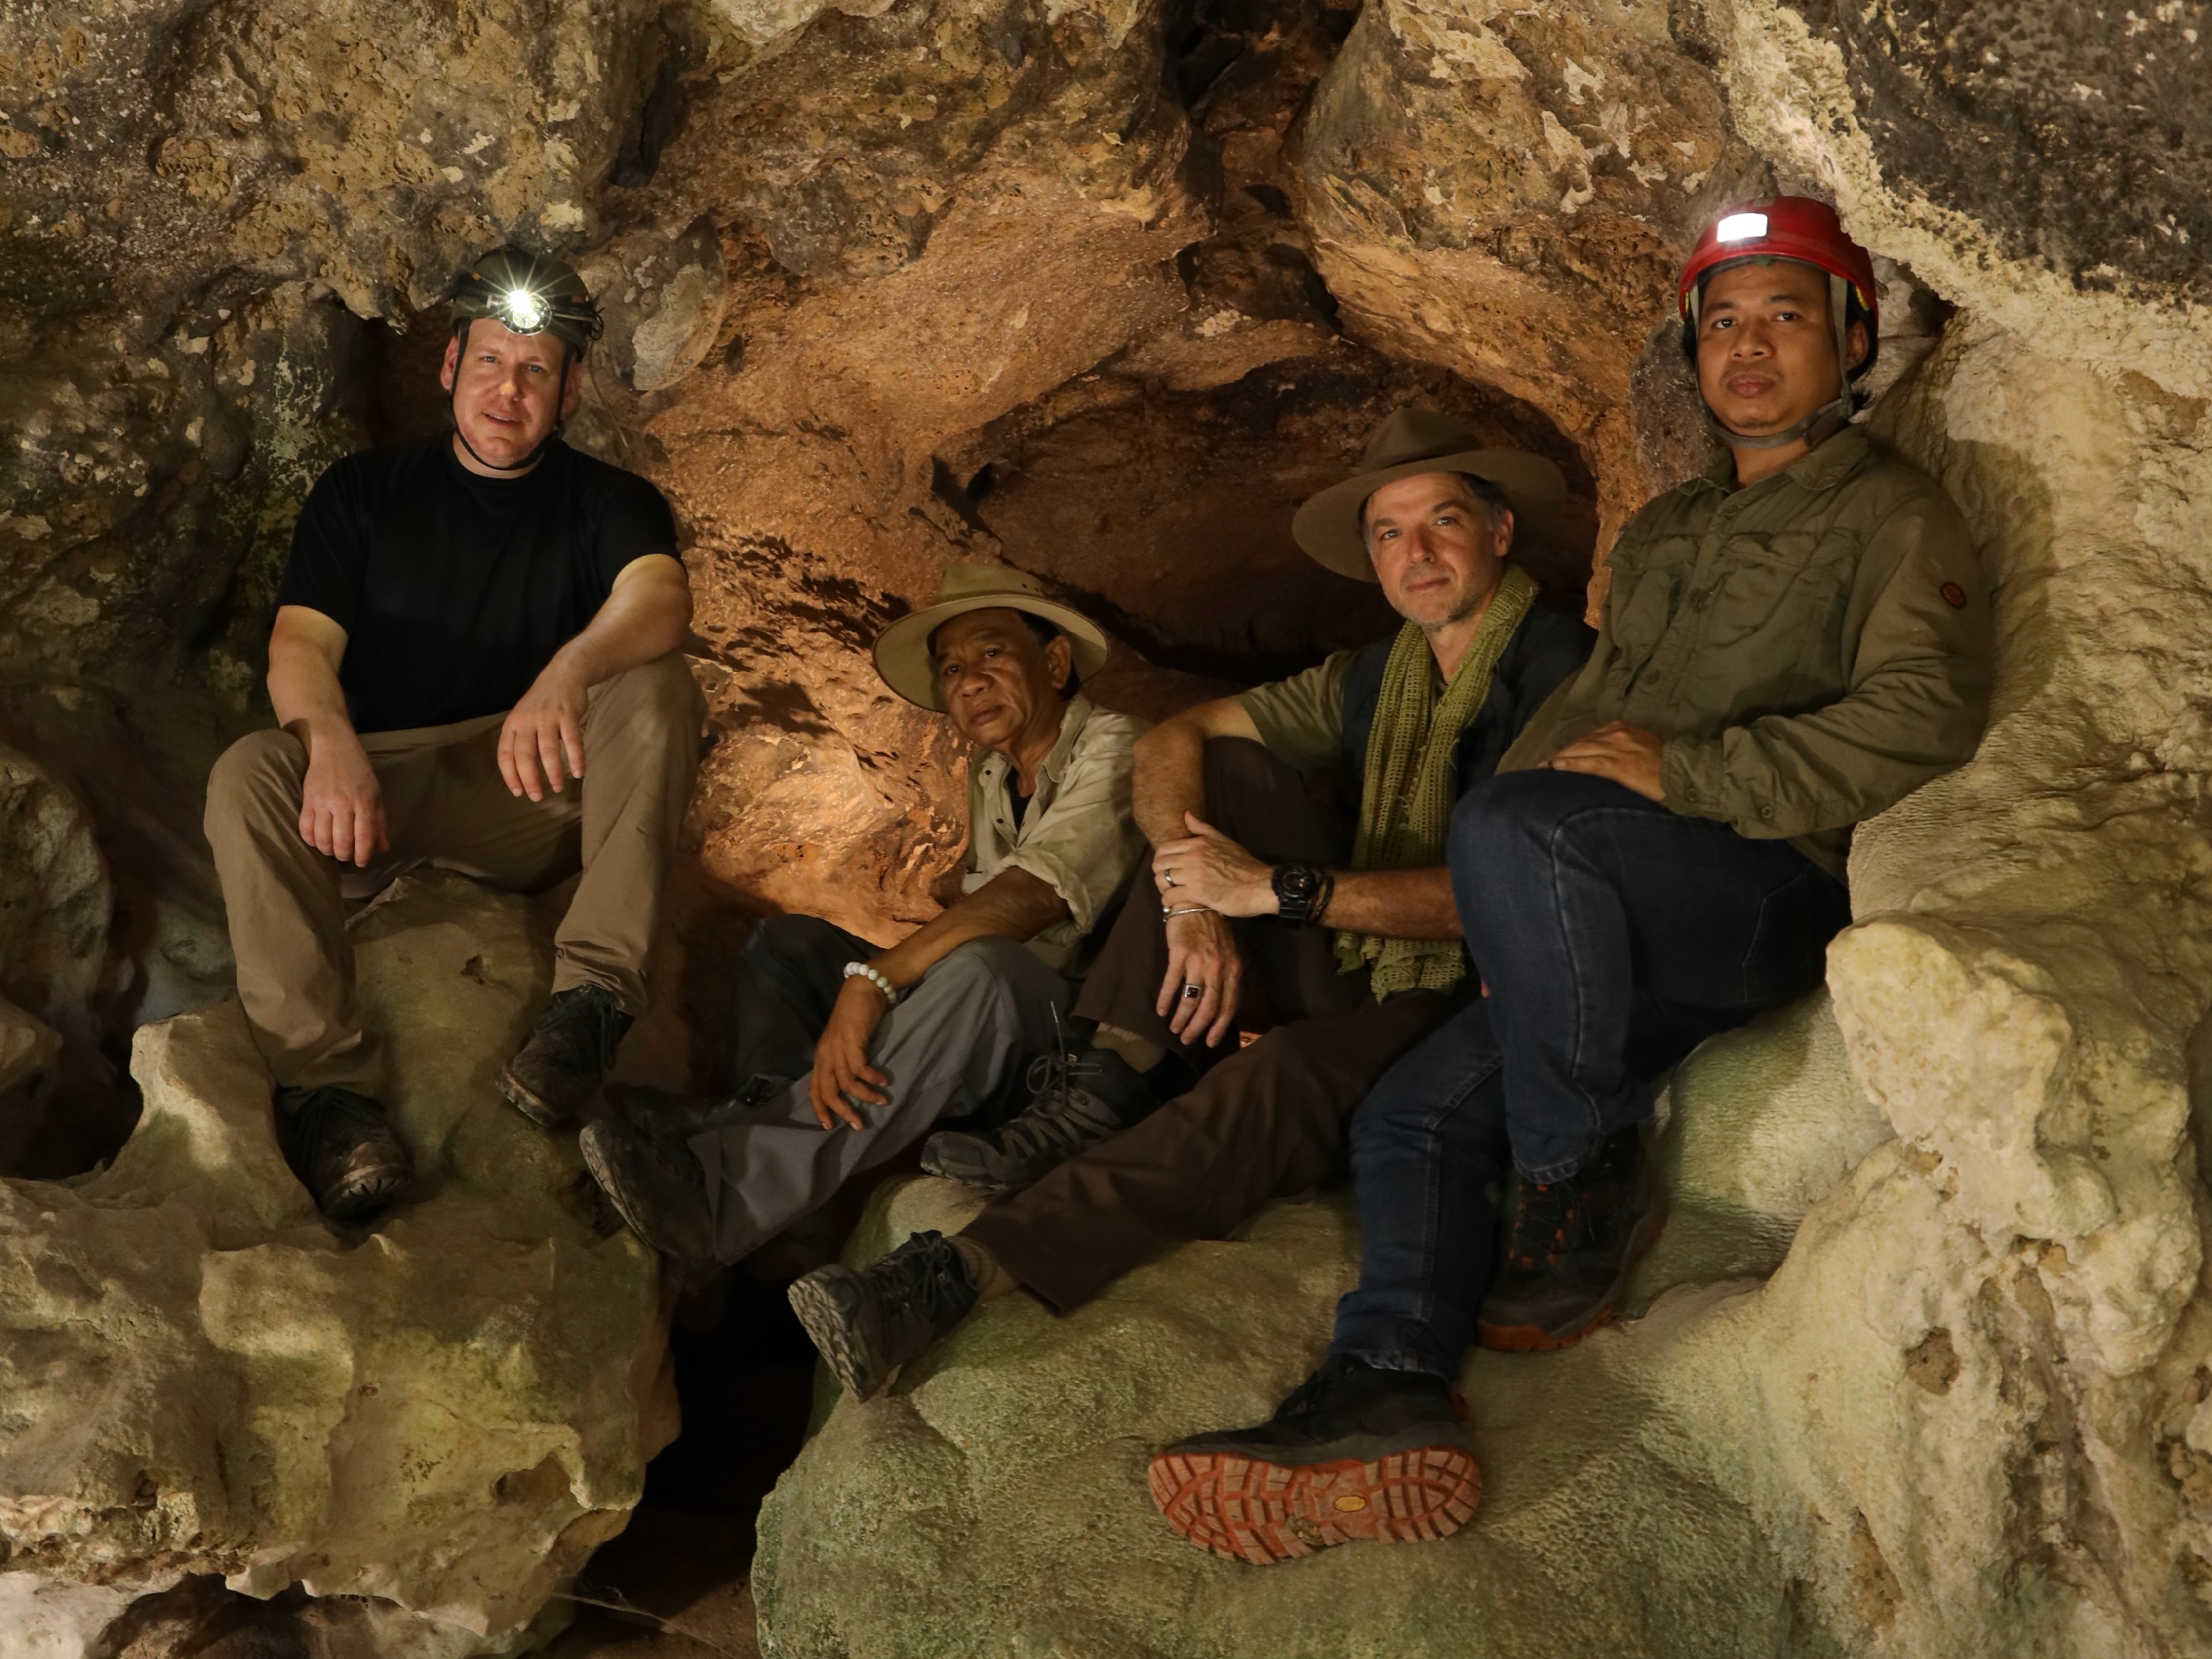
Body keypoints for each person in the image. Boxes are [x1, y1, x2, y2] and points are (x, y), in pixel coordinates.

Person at [1146, 197, 1996, 1565]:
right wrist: (1504, 883)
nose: (1750, 348)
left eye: (1786, 316)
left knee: (1515, 834)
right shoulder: (1667, 534)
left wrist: (1690, 778)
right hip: (1607, 899)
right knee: (1410, 1117)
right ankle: (1389, 1393)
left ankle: (1576, 1180)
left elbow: (1923, 719)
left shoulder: (1892, 517)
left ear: (1854, 340)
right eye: (1722, 323)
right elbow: (1582, 718)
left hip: (1762, 884)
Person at [785, 407, 1597, 1415]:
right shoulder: (1374, 677)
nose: (1415, 553)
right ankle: (1111, 1077)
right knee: (1233, 770)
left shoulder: (1558, 668)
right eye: (1389, 533)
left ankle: (954, 1277)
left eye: (1441, 523)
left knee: (1277, 1076)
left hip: (1474, 996)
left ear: (1500, 533)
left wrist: (1272, 892)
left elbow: (1512, 893)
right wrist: (1190, 901)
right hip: (1358, 963)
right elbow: (1176, 736)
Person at [203, 246, 703, 1223]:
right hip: (379, 790)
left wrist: (571, 669)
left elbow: (659, 599)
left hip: (529, 792)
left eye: (534, 372)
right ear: (448, 368)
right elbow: (299, 645)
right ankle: (330, 1096)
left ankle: (589, 1009)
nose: (506, 390)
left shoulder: (608, 502)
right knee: (249, 771)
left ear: (563, 395)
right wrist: (332, 740)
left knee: (658, 688)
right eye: (488, 362)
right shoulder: (362, 494)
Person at [576, 563, 1147, 1279]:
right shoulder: (993, 778)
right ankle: (761, 1127)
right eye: (952, 668)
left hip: (1074, 1051)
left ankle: (727, 1196)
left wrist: (874, 981)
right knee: (791, 946)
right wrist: (866, 975)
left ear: (1056, 662)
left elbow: (1031, 900)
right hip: (1012, 1011)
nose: (968, 682)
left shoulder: (1121, 746)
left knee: (980, 971)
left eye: (993, 654)